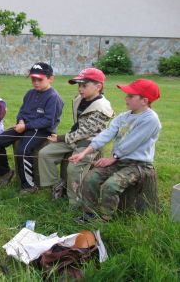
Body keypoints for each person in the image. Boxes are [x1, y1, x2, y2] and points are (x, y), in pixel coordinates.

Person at [69, 79, 161, 222]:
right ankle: (90, 215)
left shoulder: (150, 119)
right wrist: (84, 152)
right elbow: (106, 134)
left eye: (131, 96)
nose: (126, 98)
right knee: (90, 178)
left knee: (110, 186)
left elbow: (132, 142)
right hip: (119, 160)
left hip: (138, 165)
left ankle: (106, 219)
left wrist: (113, 157)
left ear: (144, 100)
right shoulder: (124, 117)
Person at [38, 68, 114, 206]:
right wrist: (66, 138)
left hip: (90, 142)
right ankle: (56, 185)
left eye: (84, 85)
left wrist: (60, 138)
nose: (80, 89)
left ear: (98, 86)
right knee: (45, 153)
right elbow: (78, 126)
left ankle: (75, 202)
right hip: (74, 138)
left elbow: (85, 131)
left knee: (73, 169)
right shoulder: (81, 99)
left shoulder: (102, 107)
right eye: (79, 85)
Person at [0, 62, 64, 193]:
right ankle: (5, 173)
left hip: (42, 130)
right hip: (24, 126)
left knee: (22, 150)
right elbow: (22, 112)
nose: (35, 82)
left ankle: (28, 186)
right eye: (33, 79)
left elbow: (48, 121)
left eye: (39, 80)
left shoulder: (54, 97)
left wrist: (25, 126)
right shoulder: (30, 93)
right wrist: (20, 121)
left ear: (50, 78)